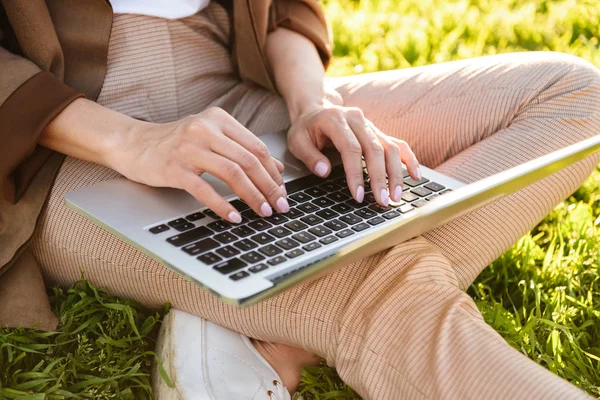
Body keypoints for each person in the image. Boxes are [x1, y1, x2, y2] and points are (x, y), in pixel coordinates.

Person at [0, 0, 599, 398]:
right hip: (68, 142)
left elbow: (283, 9)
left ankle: (274, 331)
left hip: (245, 97)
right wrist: (132, 139)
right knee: (375, 284)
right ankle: (317, 308)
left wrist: (313, 102)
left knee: (573, 94)